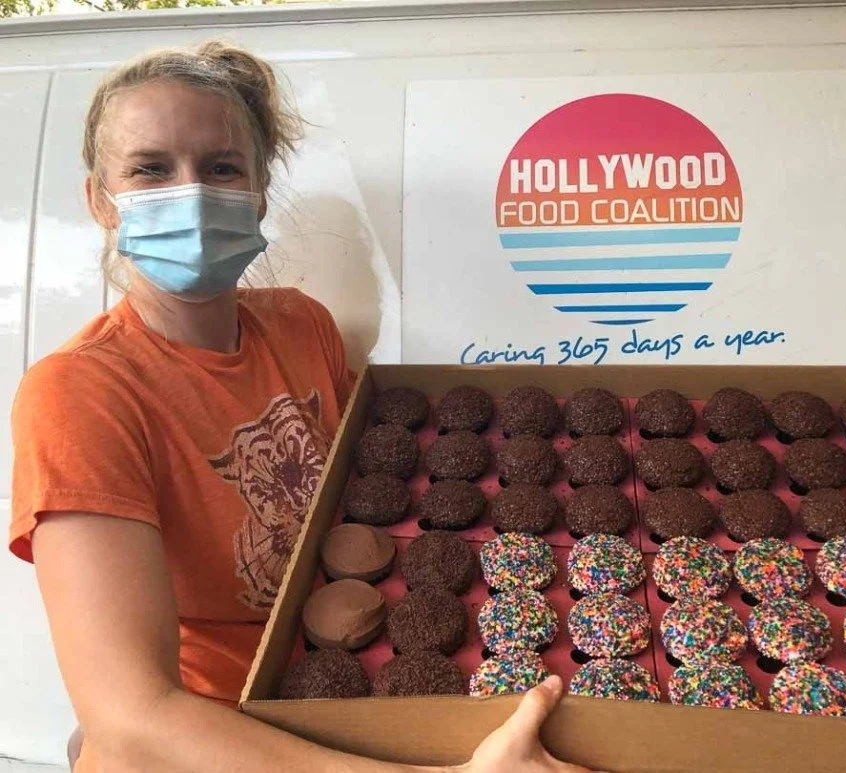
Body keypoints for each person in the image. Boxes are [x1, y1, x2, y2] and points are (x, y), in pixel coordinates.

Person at [9, 41, 592, 773]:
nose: (191, 194)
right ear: (100, 200)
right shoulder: (81, 393)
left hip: (339, 706)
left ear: (258, 193)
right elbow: (131, 719)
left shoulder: (300, 324)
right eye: (150, 169)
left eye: (222, 168)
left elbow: (369, 500)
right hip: (218, 742)